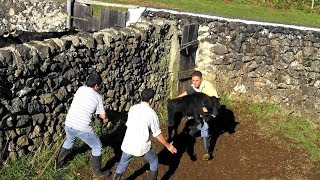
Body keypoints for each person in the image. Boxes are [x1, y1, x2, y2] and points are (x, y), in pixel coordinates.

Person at [113, 88, 177, 180]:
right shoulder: (151, 114)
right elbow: (157, 134)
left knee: (122, 164)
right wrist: (168, 146)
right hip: (141, 146)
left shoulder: (132, 108)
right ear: (151, 99)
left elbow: (128, 125)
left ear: (141, 97)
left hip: (128, 143)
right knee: (154, 160)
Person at [56, 72, 110, 179]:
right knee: (97, 147)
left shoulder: (80, 89)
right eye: (99, 86)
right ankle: (97, 173)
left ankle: (59, 163)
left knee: (69, 140)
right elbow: (103, 116)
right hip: (83, 128)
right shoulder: (98, 97)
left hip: (69, 124)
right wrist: (106, 117)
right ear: (96, 86)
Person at [178, 70, 219, 161]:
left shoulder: (208, 87)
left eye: (197, 80)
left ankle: (206, 152)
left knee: (205, 127)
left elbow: (215, 101)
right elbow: (186, 93)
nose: (195, 82)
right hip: (199, 109)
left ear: (201, 80)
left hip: (209, 109)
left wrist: (207, 108)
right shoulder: (194, 87)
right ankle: (189, 136)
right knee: (195, 123)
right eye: (193, 80)